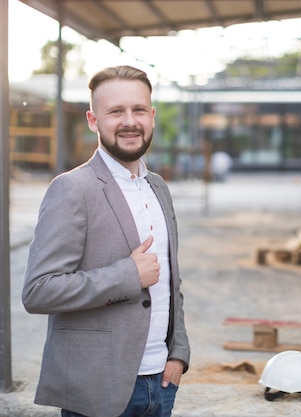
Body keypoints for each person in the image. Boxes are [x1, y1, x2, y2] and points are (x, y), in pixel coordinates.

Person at [22, 65, 191, 417]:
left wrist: (178, 353)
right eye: (116, 111)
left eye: (138, 110)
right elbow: (39, 290)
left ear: (152, 116)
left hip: (161, 383)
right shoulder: (72, 189)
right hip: (99, 388)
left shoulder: (158, 187)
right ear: (93, 120)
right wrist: (128, 275)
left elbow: (172, 284)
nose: (130, 121)